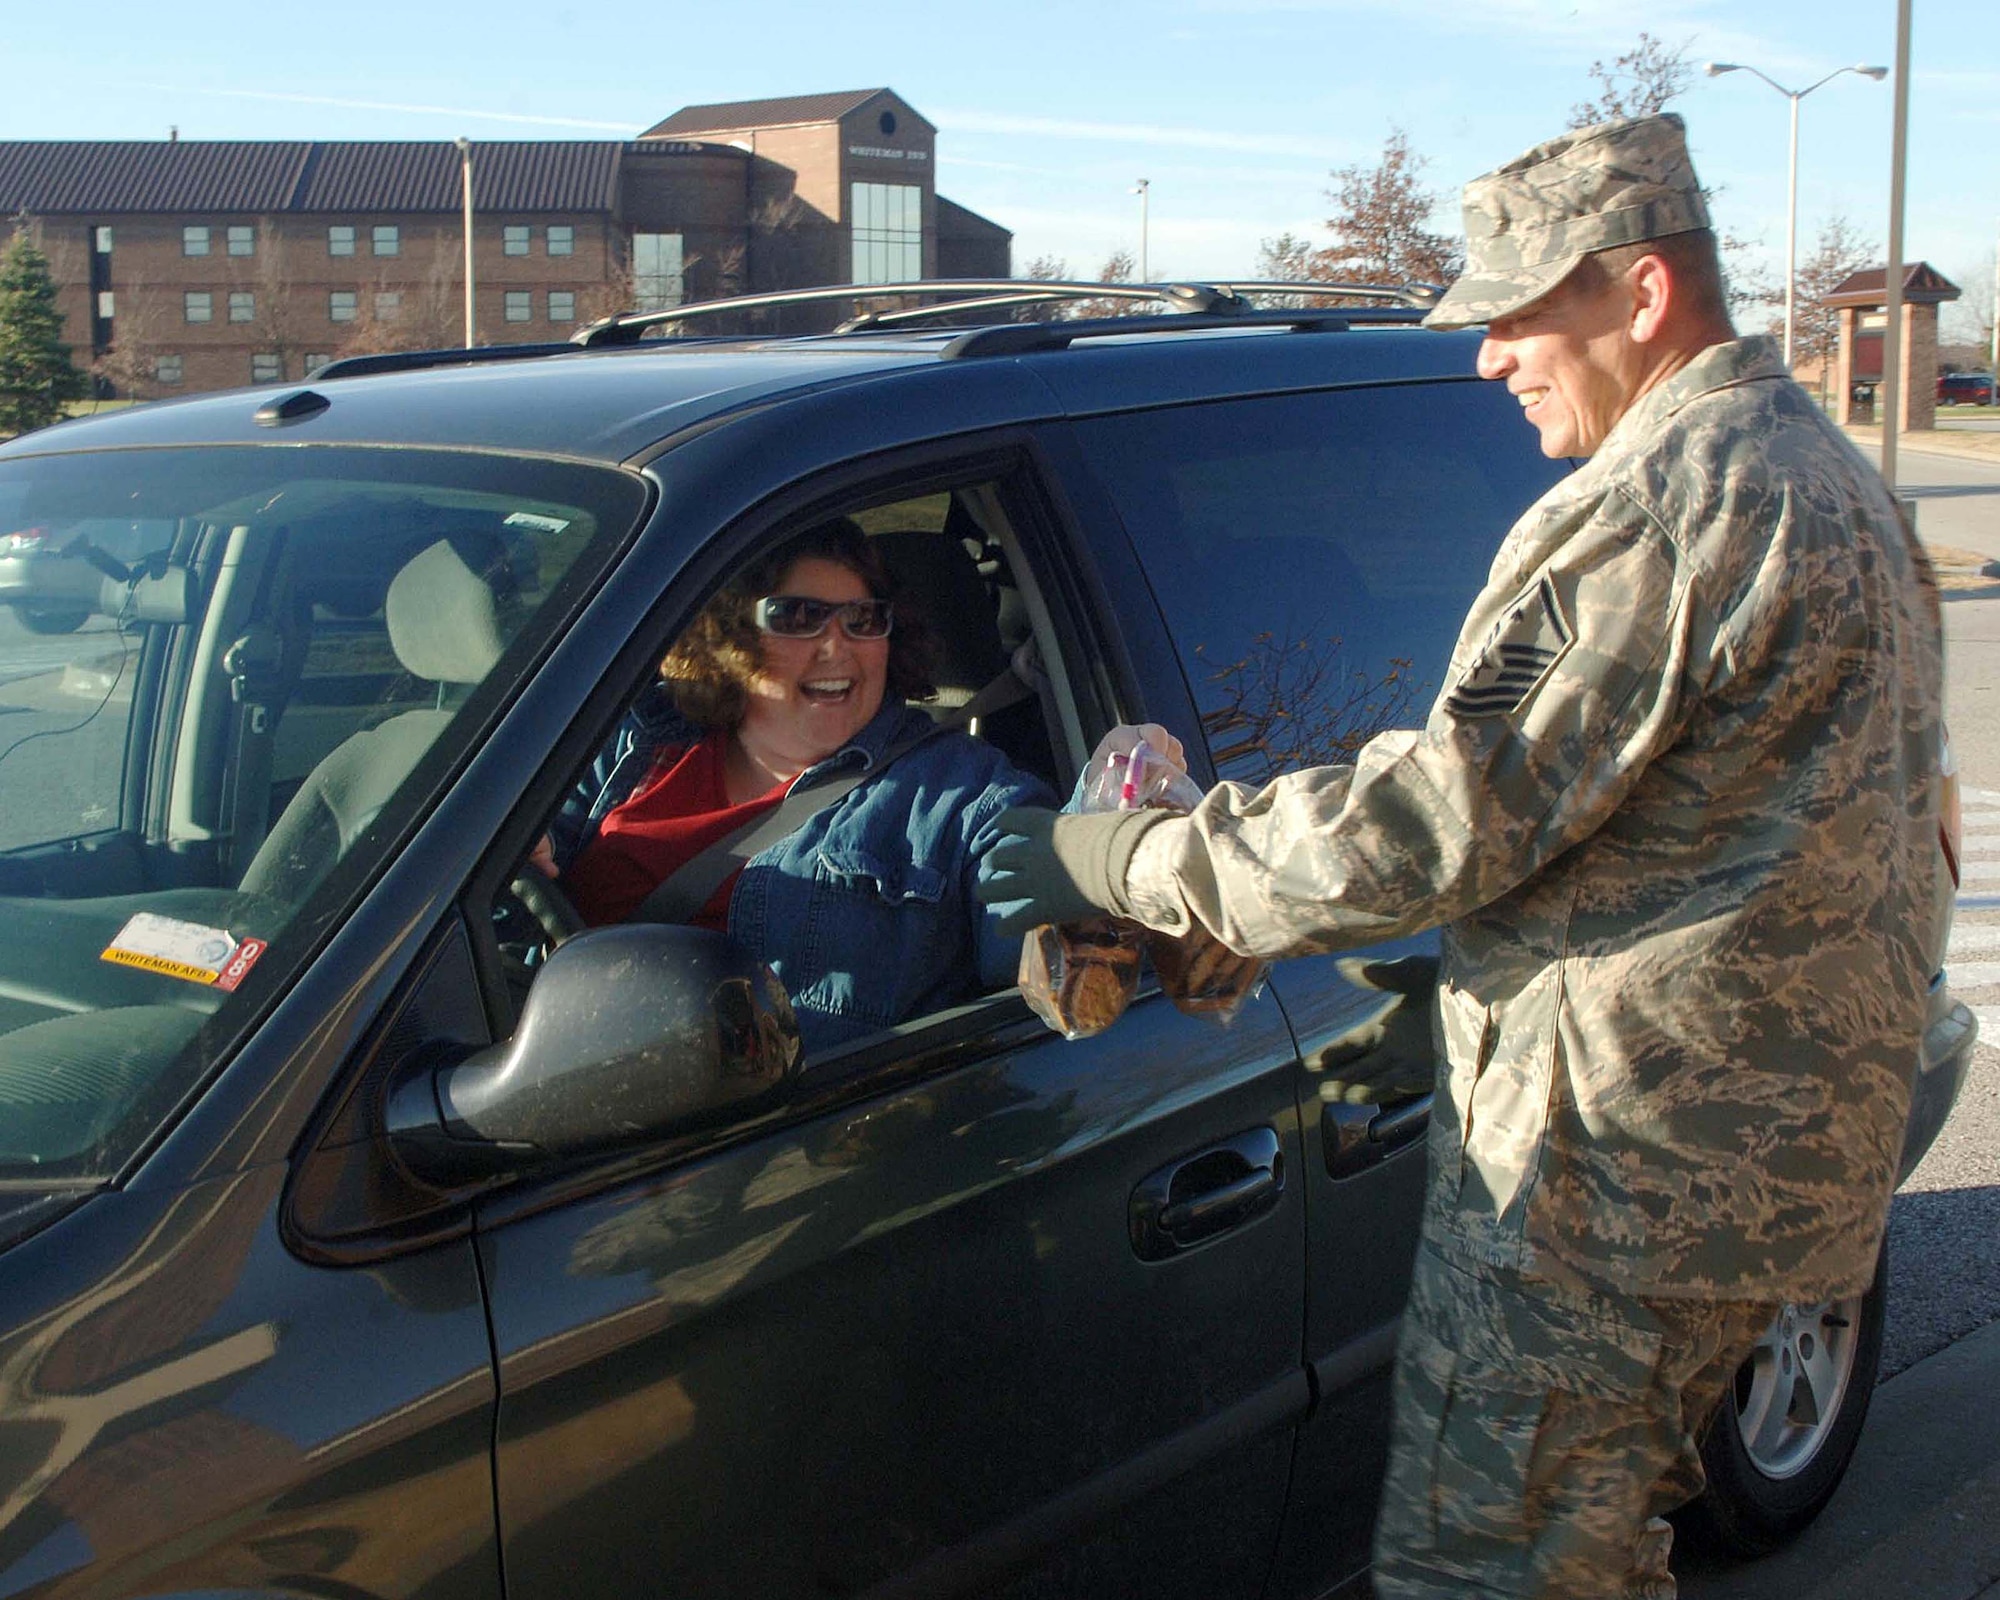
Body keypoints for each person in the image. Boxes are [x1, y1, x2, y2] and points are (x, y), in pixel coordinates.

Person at [977, 113, 1944, 1599]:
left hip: (1616, 1192)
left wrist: (1144, 857)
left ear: (1640, 296)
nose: (1488, 356)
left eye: (1516, 314)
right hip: (1773, 1168)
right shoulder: (1834, 477)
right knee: (1601, 1550)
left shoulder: (1654, 509)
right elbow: (1783, 815)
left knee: (1493, 1570)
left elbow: (1434, 821)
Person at [542, 517, 1056, 1060]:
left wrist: (1116, 858)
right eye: (798, 616)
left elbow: (1046, 918)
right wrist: (533, 851)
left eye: (863, 619)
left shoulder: (959, 795)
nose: (837, 646)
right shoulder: (638, 736)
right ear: (730, 632)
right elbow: (498, 894)